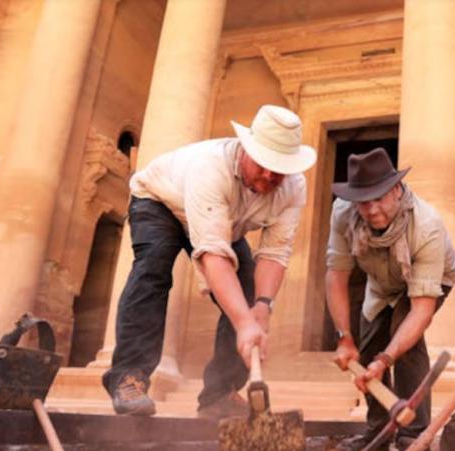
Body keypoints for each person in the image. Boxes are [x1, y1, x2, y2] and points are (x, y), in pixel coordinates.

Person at [103, 105, 316, 419]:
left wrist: (261, 306)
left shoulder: (294, 188)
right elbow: (213, 254)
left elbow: (274, 253)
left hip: (222, 221)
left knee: (244, 294)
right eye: (264, 164)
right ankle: (128, 379)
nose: (271, 175)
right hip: (161, 202)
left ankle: (220, 395)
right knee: (153, 270)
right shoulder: (211, 166)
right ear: (245, 148)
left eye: (280, 168)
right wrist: (244, 324)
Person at [326, 148, 455, 451]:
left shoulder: (427, 225)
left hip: (430, 281)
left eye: (379, 198)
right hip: (381, 282)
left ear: (397, 190)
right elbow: (336, 276)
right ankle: (378, 431)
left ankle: (414, 437)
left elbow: (420, 310)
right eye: (363, 201)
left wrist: (386, 360)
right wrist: (344, 338)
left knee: (405, 343)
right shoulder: (343, 213)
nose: (371, 210)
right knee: (367, 345)